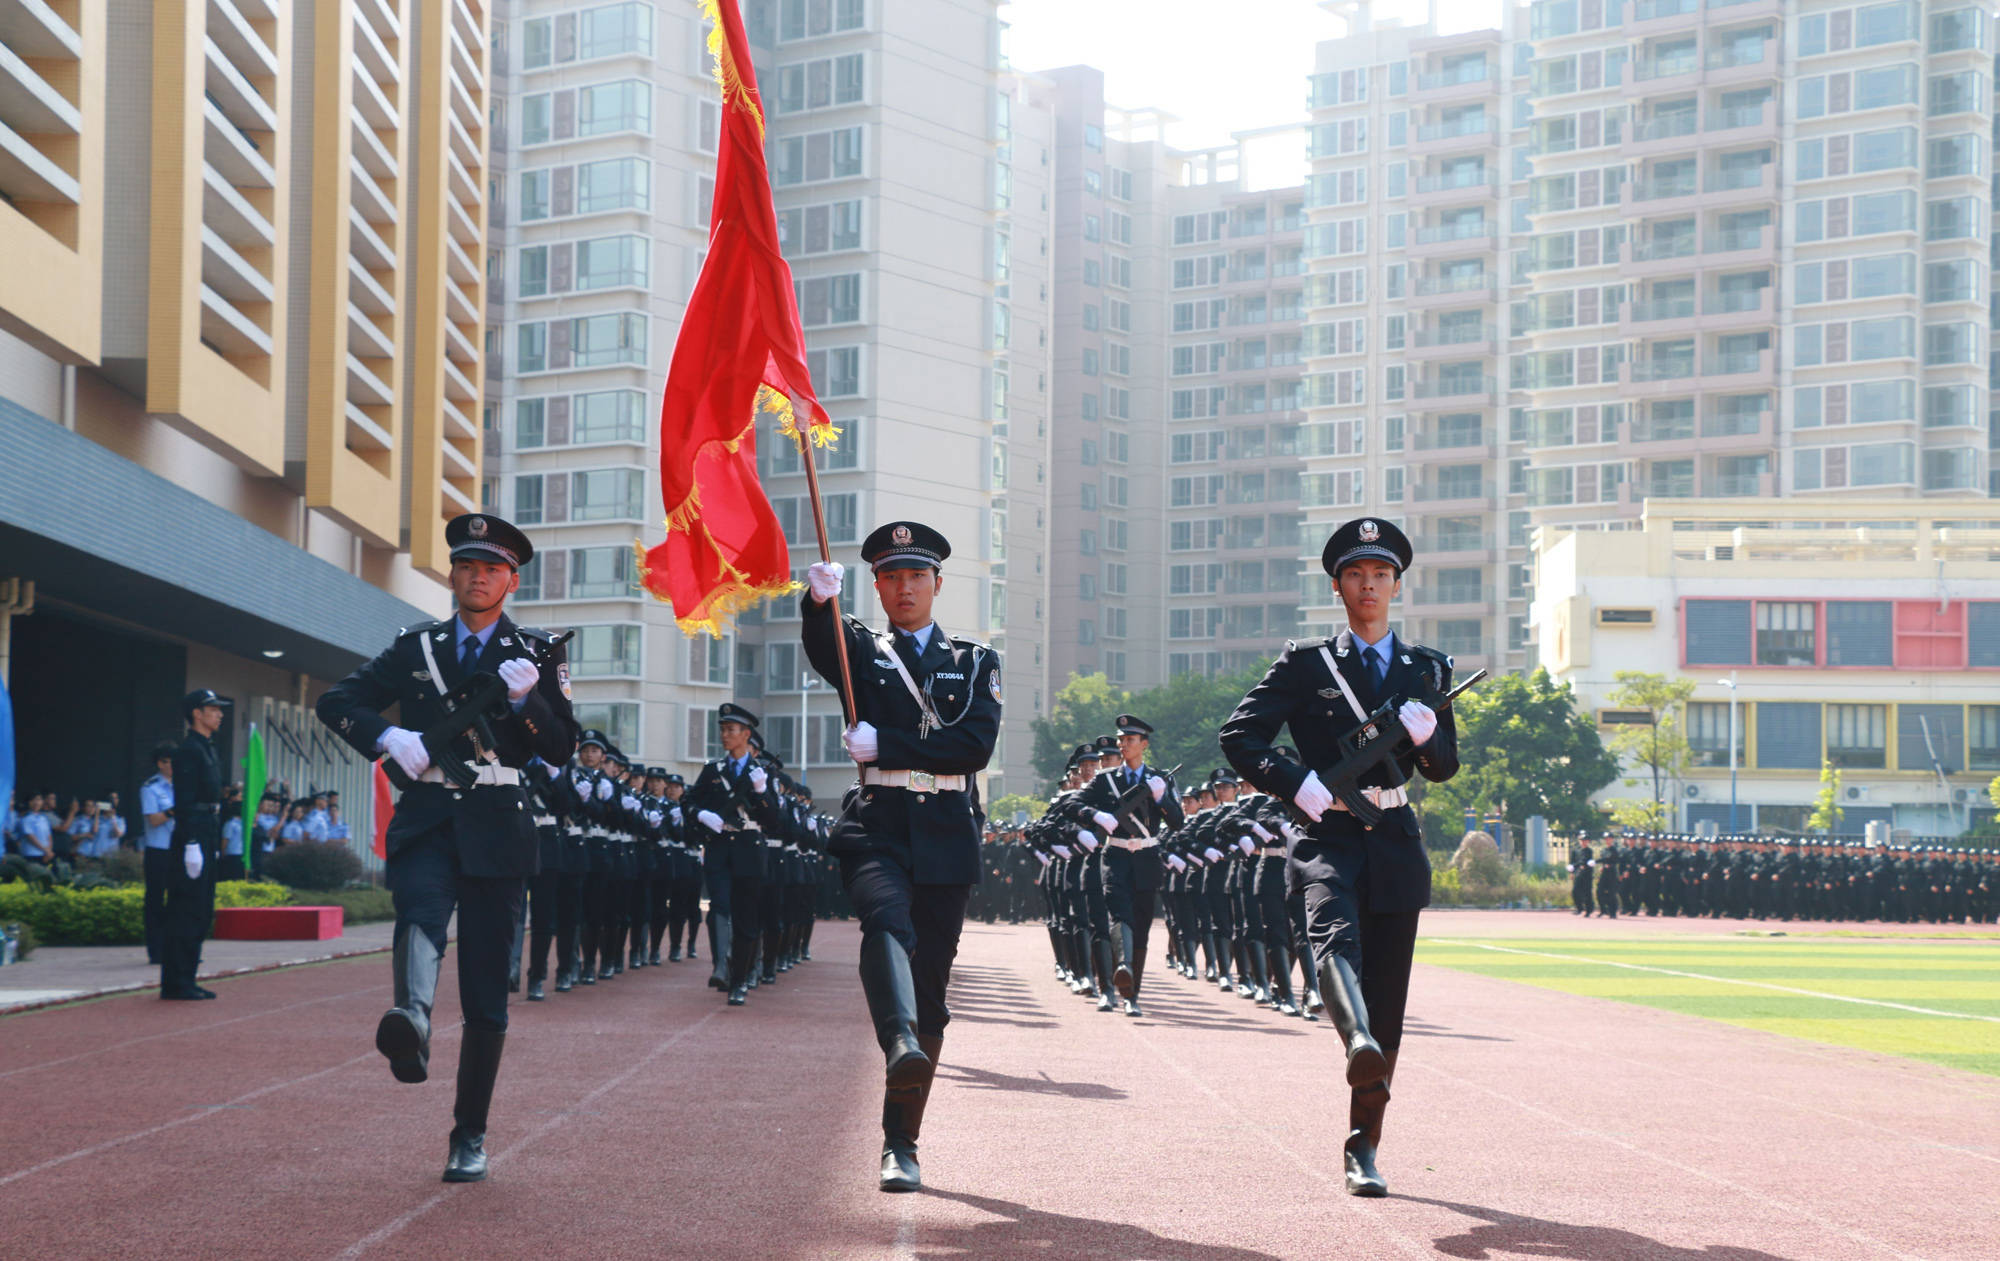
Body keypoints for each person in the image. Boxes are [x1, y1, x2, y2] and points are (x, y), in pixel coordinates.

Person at [316, 512, 578, 1184]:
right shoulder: (416, 646)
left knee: (487, 991)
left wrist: (527, 702)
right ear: (453, 576)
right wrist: (388, 737)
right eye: (466, 566)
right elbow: (338, 700)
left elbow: (560, 747)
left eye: (490, 569)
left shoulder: (538, 652)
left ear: (511, 581)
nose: (476, 577)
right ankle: (412, 1018)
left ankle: (470, 1134)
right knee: (420, 912)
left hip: (498, 824)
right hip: (428, 815)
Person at [1220, 516, 1458, 1199]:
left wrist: (1429, 737)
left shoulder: (1427, 669)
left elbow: (1444, 767)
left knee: (1390, 1000)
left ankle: (1364, 1144)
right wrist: (1295, 780)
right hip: (1327, 830)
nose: (1369, 585)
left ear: (1396, 585)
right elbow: (1240, 735)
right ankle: (1355, 1041)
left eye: (1381, 574)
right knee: (1331, 937)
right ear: (1338, 585)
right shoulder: (1306, 664)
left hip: (1394, 834)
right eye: (1356, 574)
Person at [800, 519, 1001, 1192]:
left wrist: (886, 743)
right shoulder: (862, 649)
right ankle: (898, 1040)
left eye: (916, 575)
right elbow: (825, 646)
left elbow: (973, 747)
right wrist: (817, 602)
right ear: (878, 586)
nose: (904, 587)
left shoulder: (974, 662)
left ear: (937, 584)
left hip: (946, 830)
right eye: (891, 576)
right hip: (878, 824)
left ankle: (901, 1141)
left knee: (931, 993)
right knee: (885, 921)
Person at [1081, 714, 1182, 1017]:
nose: (1124, 745)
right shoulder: (1105, 779)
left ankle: (1131, 994)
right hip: (1116, 856)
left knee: (1141, 928)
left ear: (1144, 744)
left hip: (1147, 859)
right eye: (1121, 740)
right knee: (1119, 915)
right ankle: (1117, 974)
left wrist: (1163, 799)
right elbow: (1074, 805)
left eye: (1130, 740)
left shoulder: (1161, 779)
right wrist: (1096, 816)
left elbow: (1177, 822)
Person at [685, 704, 782, 1005]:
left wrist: (762, 793)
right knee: (719, 907)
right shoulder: (712, 770)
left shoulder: (762, 772)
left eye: (731, 730)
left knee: (746, 917)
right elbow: (688, 802)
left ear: (746, 735)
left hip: (749, 850)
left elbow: (775, 821)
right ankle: (721, 966)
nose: (725, 735)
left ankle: (740, 979)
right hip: (718, 848)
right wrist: (702, 815)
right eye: (723, 729)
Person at [162, 689, 231, 1000]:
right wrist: (191, 842)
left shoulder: (207, 748)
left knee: (201, 909)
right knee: (186, 909)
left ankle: (187, 977)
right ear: (196, 714)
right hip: (193, 834)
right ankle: (176, 982)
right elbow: (185, 802)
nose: (219, 714)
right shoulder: (189, 750)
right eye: (212, 709)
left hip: (207, 830)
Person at [140, 743, 178, 965]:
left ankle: (176, 948)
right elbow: (154, 819)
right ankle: (156, 950)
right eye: (166, 762)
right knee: (156, 900)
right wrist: (174, 810)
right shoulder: (150, 788)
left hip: (179, 848)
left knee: (179, 899)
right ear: (159, 763)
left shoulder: (183, 784)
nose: (171, 766)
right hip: (159, 849)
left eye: (174, 762)